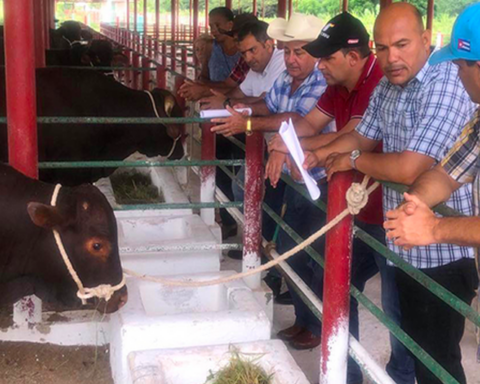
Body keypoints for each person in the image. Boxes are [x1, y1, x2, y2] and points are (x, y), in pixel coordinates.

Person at [302, 4, 476, 384]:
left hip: (444, 255)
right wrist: (321, 153)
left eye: (401, 44)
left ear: (426, 40)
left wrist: (351, 158)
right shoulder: (389, 84)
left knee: (437, 361)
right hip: (405, 238)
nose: (390, 57)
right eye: (382, 48)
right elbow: (446, 171)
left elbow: (410, 167)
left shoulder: (444, 83)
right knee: (415, 347)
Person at [268, 12, 413, 384]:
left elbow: (351, 137)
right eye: (384, 48)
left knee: (398, 311)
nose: (321, 66)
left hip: (393, 215)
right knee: (334, 281)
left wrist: (297, 147)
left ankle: (398, 376)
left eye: (327, 58)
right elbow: (335, 132)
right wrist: (300, 148)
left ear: (352, 57)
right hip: (362, 209)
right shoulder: (343, 85)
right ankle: (346, 374)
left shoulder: (376, 82)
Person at [383, 4, 480, 383]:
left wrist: (434, 230)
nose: (456, 74)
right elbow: (447, 171)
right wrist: (416, 204)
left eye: (459, 65)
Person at [200, 20, 286, 110]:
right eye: (243, 53)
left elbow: (266, 101)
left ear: (268, 45)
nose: (247, 58)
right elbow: (239, 93)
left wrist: (227, 103)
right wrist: (217, 101)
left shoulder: (281, 61)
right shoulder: (257, 67)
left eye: (252, 50)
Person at [178, 13, 256, 101]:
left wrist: (204, 91)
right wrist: (201, 87)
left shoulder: (258, 62)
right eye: (235, 40)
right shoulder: (243, 59)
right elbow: (230, 86)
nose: (237, 44)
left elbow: (254, 97)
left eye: (240, 40)